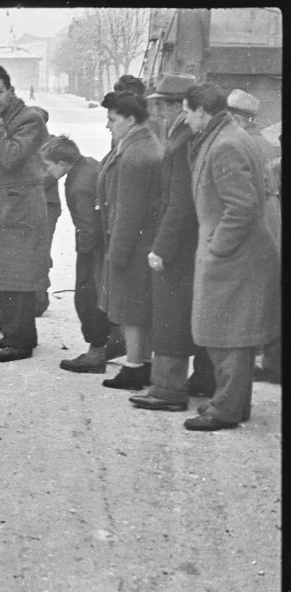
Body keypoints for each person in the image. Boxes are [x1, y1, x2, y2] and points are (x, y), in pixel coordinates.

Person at [181, 82, 280, 430]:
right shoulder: (230, 135)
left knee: (229, 336)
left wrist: (216, 247)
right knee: (232, 332)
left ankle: (226, 409)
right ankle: (234, 404)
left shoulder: (224, 145)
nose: (186, 117)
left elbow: (241, 207)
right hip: (242, 254)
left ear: (202, 112)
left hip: (235, 256)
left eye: (187, 111)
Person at [127, 74, 215, 411]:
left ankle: (168, 389)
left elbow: (179, 203)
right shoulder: (186, 135)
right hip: (191, 241)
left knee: (170, 316)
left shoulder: (181, 141)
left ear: (179, 105)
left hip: (177, 245)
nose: (158, 110)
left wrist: (161, 247)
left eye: (163, 104)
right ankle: (195, 382)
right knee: (183, 314)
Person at [0, 65, 51, 362]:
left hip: (23, 203)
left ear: (11, 91)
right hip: (6, 200)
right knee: (3, 270)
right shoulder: (6, 117)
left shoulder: (29, 118)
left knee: (19, 271)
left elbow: (10, 156)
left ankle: (22, 340)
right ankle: (10, 332)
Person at [97, 91, 163, 390]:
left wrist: (117, 253)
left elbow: (129, 210)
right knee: (140, 306)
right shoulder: (141, 144)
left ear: (131, 119)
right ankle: (143, 363)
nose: (108, 126)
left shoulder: (136, 154)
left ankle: (135, 367)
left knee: (131, 308)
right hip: (144, 241)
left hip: (134, 243)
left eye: (113, 119)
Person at [43, 136, 113, 373]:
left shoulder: (77, 186)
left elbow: (88, 227)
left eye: (48, 165)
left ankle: (96, 354)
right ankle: (109, 344)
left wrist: (83, 254)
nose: (46, 171)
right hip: (106, 243)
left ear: (63, 163)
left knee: (86, 297)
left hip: (93, 248)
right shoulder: (89, 164)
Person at [228, 88, 282, 385]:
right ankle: (272, 360)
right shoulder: (263, 142)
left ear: (239, 118)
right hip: (270, 212)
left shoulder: (246, 143)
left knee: (263, 291)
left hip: (262, 215)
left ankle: (270, 361)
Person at [32, 106, 60, 317]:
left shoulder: (53, 144)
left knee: (41, 250)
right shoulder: (22, 142)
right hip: (28, 204)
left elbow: (54, 174)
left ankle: (39, 299)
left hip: (47, 204)